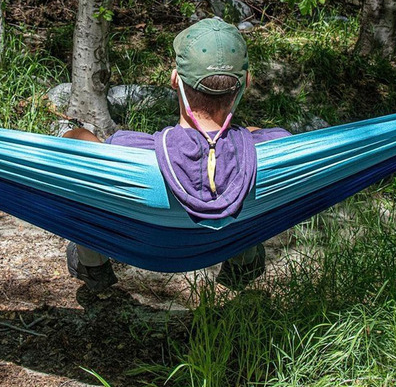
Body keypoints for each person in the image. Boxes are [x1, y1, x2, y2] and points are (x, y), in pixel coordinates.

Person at [63, 17, 290, 292]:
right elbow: (257, 136)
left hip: (143, 247)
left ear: (174, 80)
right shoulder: (275, 149)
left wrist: (75, 133)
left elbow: (75, 144)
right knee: (252, 189)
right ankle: (244, 264)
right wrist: (253, 133)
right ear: (246, 83)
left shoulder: (127, 149)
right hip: (226, 241)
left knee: (87, 177)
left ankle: (93, 266)